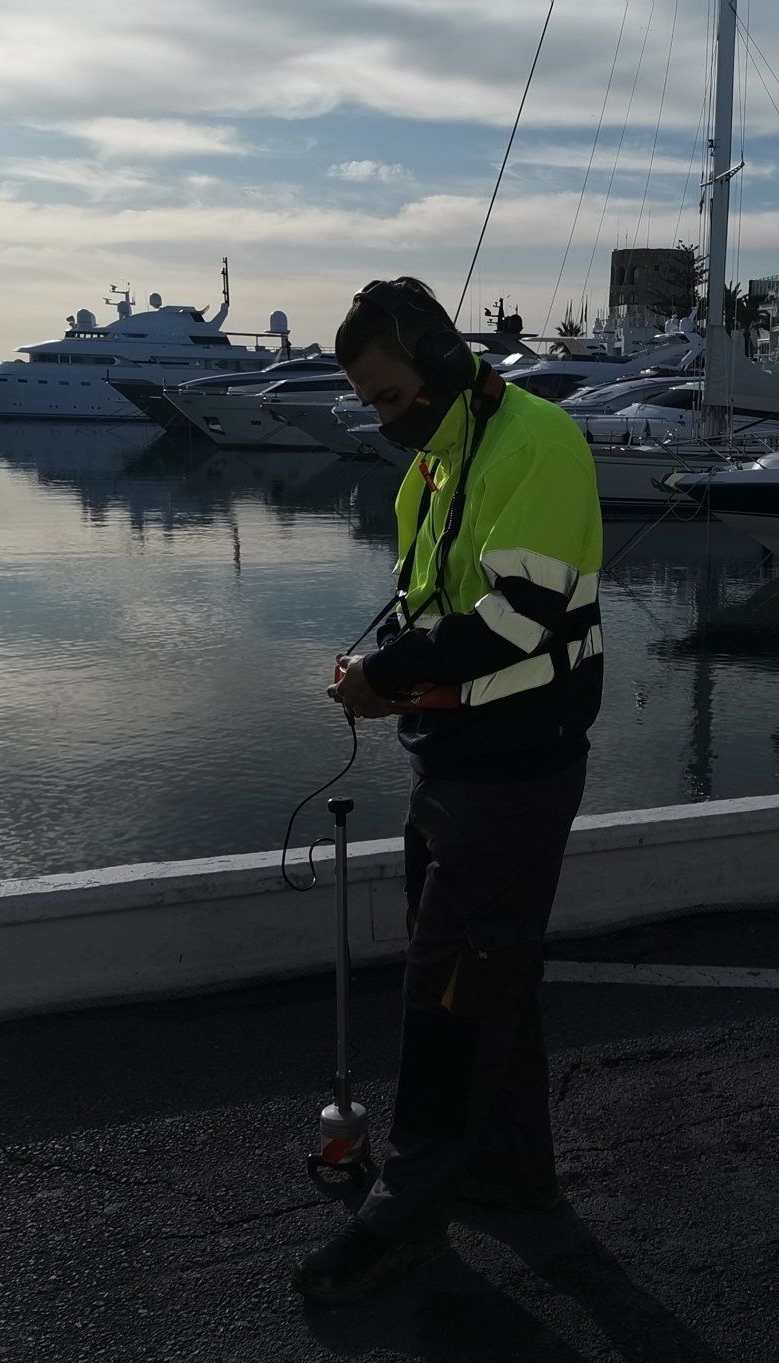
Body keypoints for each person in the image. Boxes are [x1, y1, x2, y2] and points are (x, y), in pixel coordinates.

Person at [292, 277, 604, 1305]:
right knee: (488, 975)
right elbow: (433, 602)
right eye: (370, 404)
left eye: (387, 396)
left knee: (447, 999)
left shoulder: (540, 442)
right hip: (448, 758)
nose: (382, 419)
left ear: (434, 361)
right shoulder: (430, 466)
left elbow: (519, 621)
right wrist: (383, 673)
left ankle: (407, 1216)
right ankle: (511, 1174)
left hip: (515, 767)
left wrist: (388, 680)